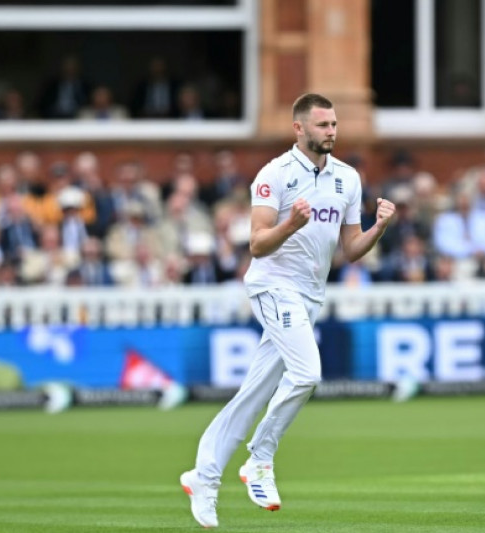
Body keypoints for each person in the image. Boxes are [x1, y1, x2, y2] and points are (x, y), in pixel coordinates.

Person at [179, 93, 395, 528]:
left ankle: (203, 475)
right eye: (322, 125)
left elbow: (351, 249)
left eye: (334, 124)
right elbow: (257, 243)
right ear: (299, 128)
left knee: (255, 392)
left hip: (310, 295)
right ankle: (260, 458)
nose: (331, 132)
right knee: (307, 373)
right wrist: (290, 225)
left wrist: (379, 227)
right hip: (273, 286)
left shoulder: (347, 179)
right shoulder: (274, 174)